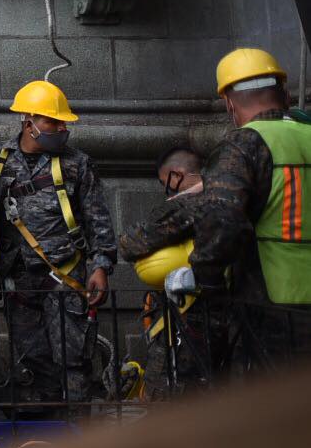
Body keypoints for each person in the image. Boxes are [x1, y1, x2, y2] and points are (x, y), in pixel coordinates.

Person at [170, 48, 311, 367]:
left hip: (274, 303)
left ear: (229, 103)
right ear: (285, 93)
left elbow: (223, 221)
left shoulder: (243, 145)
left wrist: (208, 281)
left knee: (274, 404)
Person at [0, 80, 115, 416]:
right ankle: (48, 435)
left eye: (63, 123)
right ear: (29, 123)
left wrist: (100, 266)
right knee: (32, 356)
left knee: (73, 358)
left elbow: (97, 219)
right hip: (17, 278)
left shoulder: (77, 164)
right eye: (53, 122)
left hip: (65, 275)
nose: (61, 129)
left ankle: (76, 433)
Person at [119, 146, 224, 392]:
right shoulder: (238, 196)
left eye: (165, 183)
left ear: (176, 176)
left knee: (165, 395)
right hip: (240, 317)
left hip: (190, 320)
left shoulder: (189, 204)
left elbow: (130, 243)